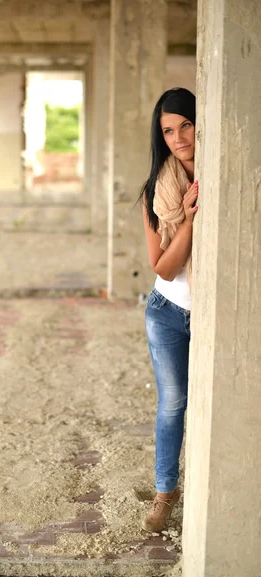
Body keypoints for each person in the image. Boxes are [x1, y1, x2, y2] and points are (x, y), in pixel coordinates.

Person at [139, 88, 198, 533]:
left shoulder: (224, 175)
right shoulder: (159, 191)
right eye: (168, 130)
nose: (178, 137)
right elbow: (163, 265)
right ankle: (165, 493)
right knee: (173, 404)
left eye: (185, 125)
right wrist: (191, 220)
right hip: (168, 310)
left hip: (219, 313)